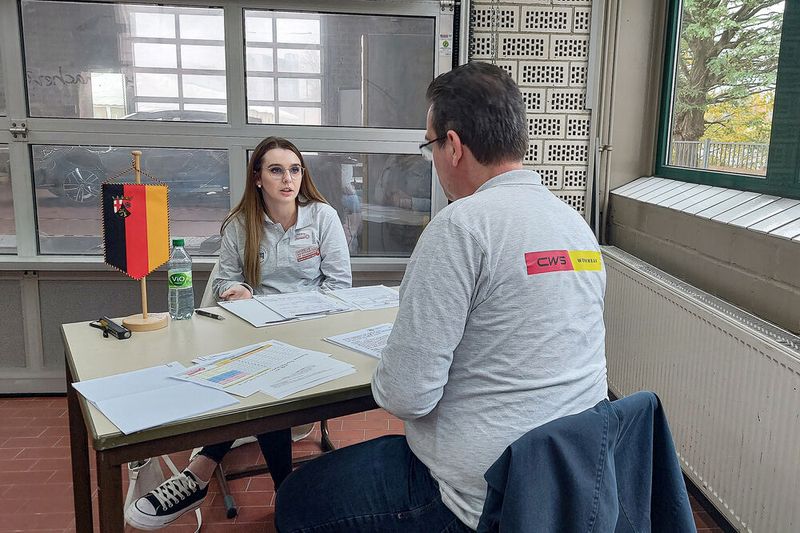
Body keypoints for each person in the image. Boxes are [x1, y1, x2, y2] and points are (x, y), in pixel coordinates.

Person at [273, 62, 608, 532]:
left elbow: (406, 396)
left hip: (475, 498)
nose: (432, 158)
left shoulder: (460, 227)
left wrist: (396, 358)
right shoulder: (575, 226)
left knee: (296, 499)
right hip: (566, 486)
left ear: (452, 145)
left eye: (429, 145)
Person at [125, 136, 352, 530]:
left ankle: (199, 472)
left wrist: (290, 308)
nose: (288, 179)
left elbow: (339, 285)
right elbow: (224, 281)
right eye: (276, 170)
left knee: (262, 385)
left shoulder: (322, 217)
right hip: (256, 330)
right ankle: (286, 494)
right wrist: (240, 290)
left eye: (294, 170)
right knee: (265, 381)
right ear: (258, 177)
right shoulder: (240, 224)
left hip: (311, 329)